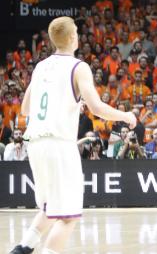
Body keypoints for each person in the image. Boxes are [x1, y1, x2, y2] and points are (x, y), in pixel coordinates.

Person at [10, 16, 136, 254]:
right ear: (71, 37)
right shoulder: (79, 67)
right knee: (67, 217)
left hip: (35, 144)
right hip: (59, 144)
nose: (78, 35)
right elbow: (97, 108)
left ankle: (21, 249)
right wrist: (126, 116)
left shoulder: (40, 66)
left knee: (50, 207)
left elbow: (25, 109)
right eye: (76, 32)